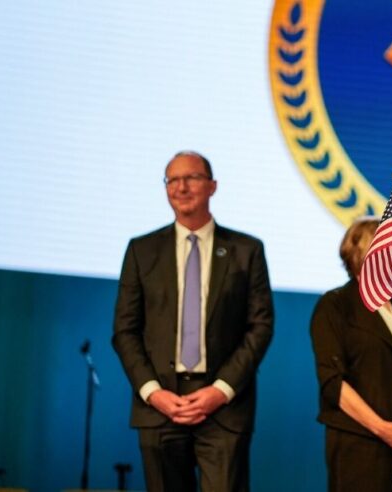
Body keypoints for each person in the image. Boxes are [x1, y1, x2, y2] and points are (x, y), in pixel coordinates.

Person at [112, 151, 274, 491]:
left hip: (224, 407)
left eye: (192, 178)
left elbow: (260, 327)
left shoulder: (247, 250)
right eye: (172, 179)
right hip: (159, 408)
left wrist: (221, 389)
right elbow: (124, 331)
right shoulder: (141, 250)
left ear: (212, 186)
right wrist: (153, 393)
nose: (181, 187)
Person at [310, 217, 392, 492]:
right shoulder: (335, 305)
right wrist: (383, 428)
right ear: (370, 250)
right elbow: (333, 382)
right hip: (360, 444)